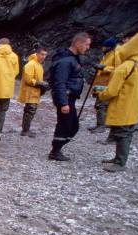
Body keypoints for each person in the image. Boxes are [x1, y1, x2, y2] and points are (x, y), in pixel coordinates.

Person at [96, 32, 138, 172]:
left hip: (123, 104)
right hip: (136, 105)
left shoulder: (126, 67)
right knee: (127, 132)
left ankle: (120, 162)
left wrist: (102, 95)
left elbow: (111, 91)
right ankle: (118, 158)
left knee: (122, 132)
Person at [48, 32, 91, 161]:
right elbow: (60, 82)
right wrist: (63, 103)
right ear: (78, 43)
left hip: (69, 97)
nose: (88, 47)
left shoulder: (72, 58)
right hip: (65, 98)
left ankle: (56, 149)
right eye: (86, 44)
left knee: (72, 125)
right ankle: (55, 151)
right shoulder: (66, 61)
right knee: (65, 124)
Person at [17, 47, 49, 137]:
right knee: (30, 111)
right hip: (30, 92)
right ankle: (25, 131)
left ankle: (25, 129)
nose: (44, 56)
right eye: (42, 54)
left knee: (30, 111)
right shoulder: (31, 64)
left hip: (34, 92)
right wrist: (41, 83)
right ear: (37, 54)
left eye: (45, 55)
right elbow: (28, 80)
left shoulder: (38, 65)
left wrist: (42, 85)